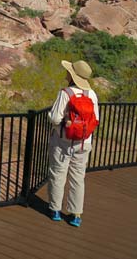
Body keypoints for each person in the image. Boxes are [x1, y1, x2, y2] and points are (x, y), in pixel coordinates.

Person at [47, 60, 99, 227]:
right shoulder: (92, 94)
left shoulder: (65, 93)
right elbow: (96, 119)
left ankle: (55, 210)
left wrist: (62, 127)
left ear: (72, 75)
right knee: (78, 178)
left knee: (58, 174)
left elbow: (55, 118)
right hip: (84, 143)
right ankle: (76, 215)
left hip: (63, 141)